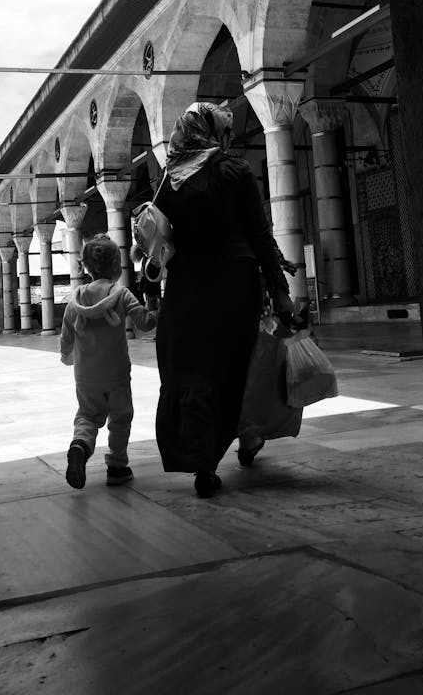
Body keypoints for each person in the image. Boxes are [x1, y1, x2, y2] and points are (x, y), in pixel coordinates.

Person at [154, 101, 294, 498]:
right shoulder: (235, 171)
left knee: (192, 372)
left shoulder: (172, 177)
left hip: (186, 288)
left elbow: (159, 234)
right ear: (218, 134)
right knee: (233, 370)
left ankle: (202, 460)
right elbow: (258, 233)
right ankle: (244, 440)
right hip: (232, 284)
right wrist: (280, 289)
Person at [61, 234, 159, 490]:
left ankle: (80, 445)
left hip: (85, 376)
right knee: (120, 418)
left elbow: (66, 338)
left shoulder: (75, 300)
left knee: (87, 416)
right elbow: (146, 323)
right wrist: (154, 303)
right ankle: (117, 466)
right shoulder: (122, 294)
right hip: (116, 374)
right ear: (117, 265)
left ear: (85, 267)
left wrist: (66, 357)